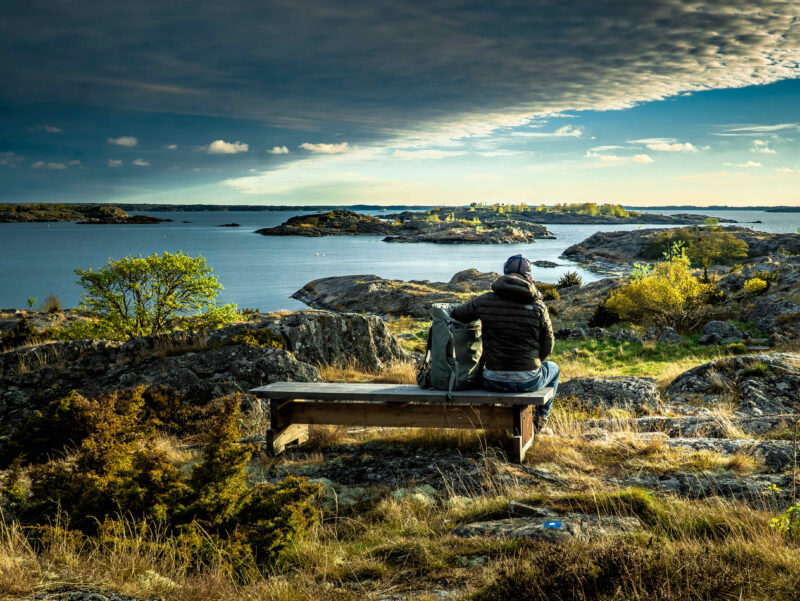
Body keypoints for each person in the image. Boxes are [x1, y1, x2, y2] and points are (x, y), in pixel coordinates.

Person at [451, 254, 558, 434]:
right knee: (553, 368)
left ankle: (495, 427)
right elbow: (548, 346)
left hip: (493, 380)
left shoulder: (484, 300)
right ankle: (541, 422)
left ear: (505, 274)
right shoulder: (538, 306)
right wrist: (529, 363)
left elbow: (457, 314)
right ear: (529, 278)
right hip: (529, 381)